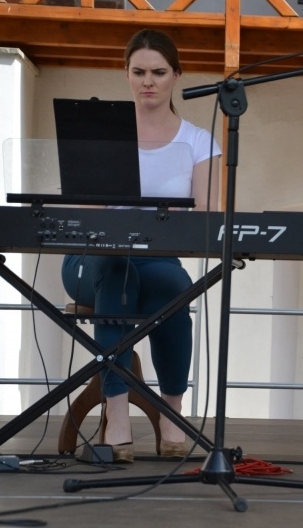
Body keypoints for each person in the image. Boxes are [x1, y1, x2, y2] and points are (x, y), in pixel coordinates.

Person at [61, 29, 222, 463]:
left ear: (176, 76)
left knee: (174, 283)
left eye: (158, 72)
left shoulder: (198, 140)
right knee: (116, 270)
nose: (148, 81)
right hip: (90, 260)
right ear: (126, 75)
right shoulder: (100, 132)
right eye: (139, 72)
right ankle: (117, 412)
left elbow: (208, 213)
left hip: (156, 259)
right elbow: (75, 210)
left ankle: (172, 410)